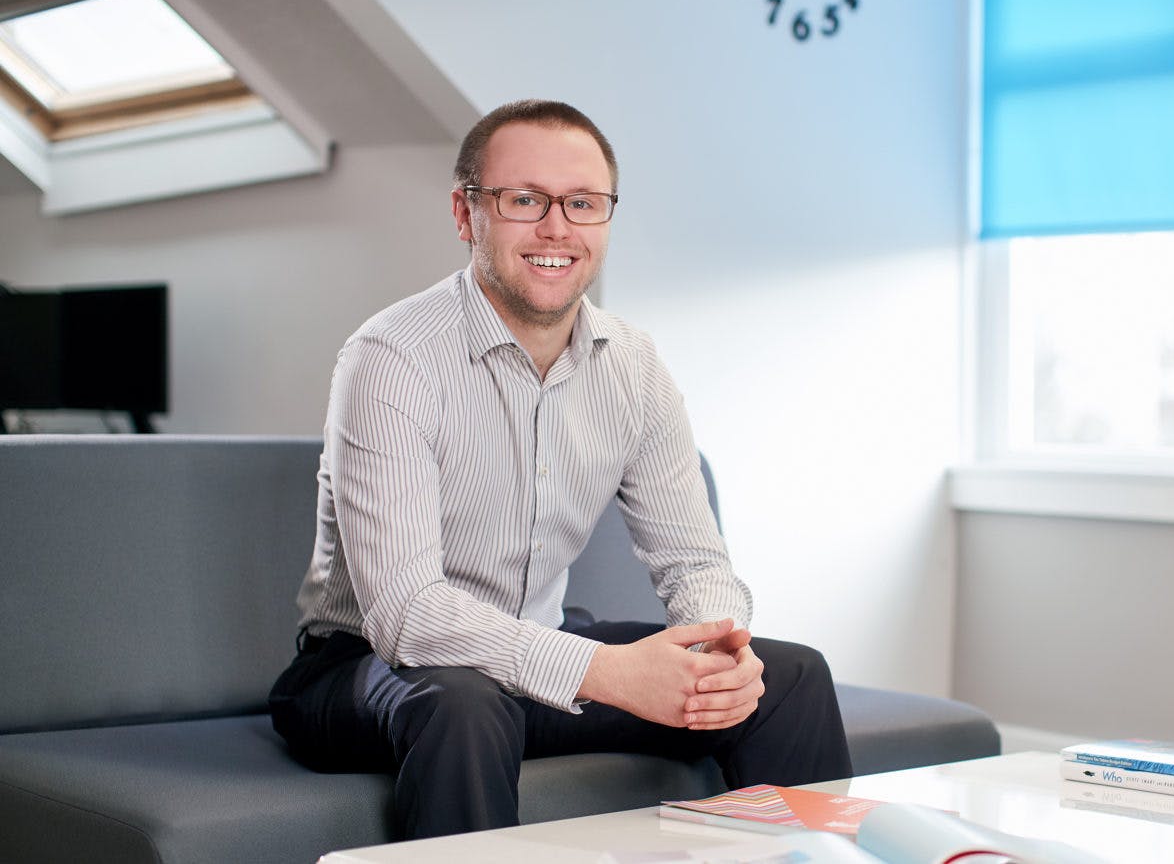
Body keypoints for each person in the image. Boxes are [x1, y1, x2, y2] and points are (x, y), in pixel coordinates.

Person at [268, 99, 852, 840]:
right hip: (372, 667)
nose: (557, 228)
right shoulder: (391, 358)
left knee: (790, 678)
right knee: (463, 705)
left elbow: (695, 561)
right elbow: (406, 613)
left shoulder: (633, 364)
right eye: (524, 200)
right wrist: (607, 672)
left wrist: (713, 653)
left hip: (539, 650)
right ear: (466, 213)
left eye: (583, 203)